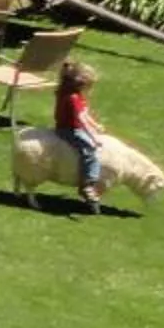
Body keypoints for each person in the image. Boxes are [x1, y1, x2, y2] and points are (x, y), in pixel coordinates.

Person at [55, 59, 107, 214]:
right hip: (68, 130)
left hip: (74, 126)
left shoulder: (75, 95)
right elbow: (81, 120)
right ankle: (87, 184)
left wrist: (96, 125)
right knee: (89, 151)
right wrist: (94, 137)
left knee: (90, 142)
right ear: (81, 84)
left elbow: (85, 114)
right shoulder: (73, 98)